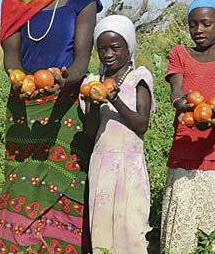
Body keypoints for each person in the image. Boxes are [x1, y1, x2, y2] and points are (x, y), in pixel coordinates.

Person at [0, 0, 102, 253]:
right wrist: (20, 80)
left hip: (66, 106)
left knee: (64, 181)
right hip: (25, 105)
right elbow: (10, 57)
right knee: (21, 185)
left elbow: (81, 62)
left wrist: (59, 82)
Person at [160, 0, 215, 254]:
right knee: (178, 231)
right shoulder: (179, 54)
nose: (198, 30)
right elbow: (176, 93)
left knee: (210, 234)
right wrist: (181, 104)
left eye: (206, 23)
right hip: (184, 153)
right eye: (193, 24)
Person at [80, 15, 155, 254]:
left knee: (131, 230)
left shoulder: (139, 79)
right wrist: (92, 102)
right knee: (102, 230)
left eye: (115, 47)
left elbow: (141, 124)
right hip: (102, 165)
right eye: (102, 49)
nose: (108, 54)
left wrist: (114, 99)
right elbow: (90, 132)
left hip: (130, 166)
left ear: (128, 48)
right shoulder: (92, 81)